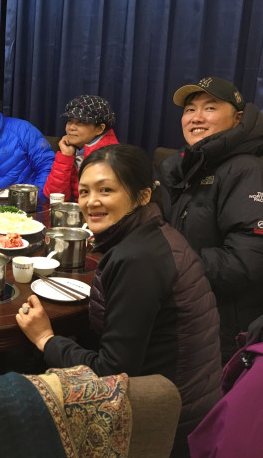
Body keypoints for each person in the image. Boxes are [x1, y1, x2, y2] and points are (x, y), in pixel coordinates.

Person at [17, 144, 221, 456]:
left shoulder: (138, 259)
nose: (91, 202)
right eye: (84, 192)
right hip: (189, 399)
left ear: (143, 196)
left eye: (106, 190)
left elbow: (111, 372)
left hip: (167, 420)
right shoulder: (154, 234)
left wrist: (46, 339)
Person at [157, 76, 263, 364]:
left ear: (238, 118)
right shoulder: (188, 165)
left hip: (223, 333)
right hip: (186, 313)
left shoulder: (247, 170)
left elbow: (245, 263)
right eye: (190, 109)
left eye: (210, 108)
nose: (196, 117)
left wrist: (165, 262)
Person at [42, 94, 118, 201]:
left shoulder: (112, 158)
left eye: (81, 122)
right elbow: (54, 196)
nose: (71, 128)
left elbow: (99, 202)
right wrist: (65, 157)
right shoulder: (73, 149)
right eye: (70, 121)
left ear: (100, 129)